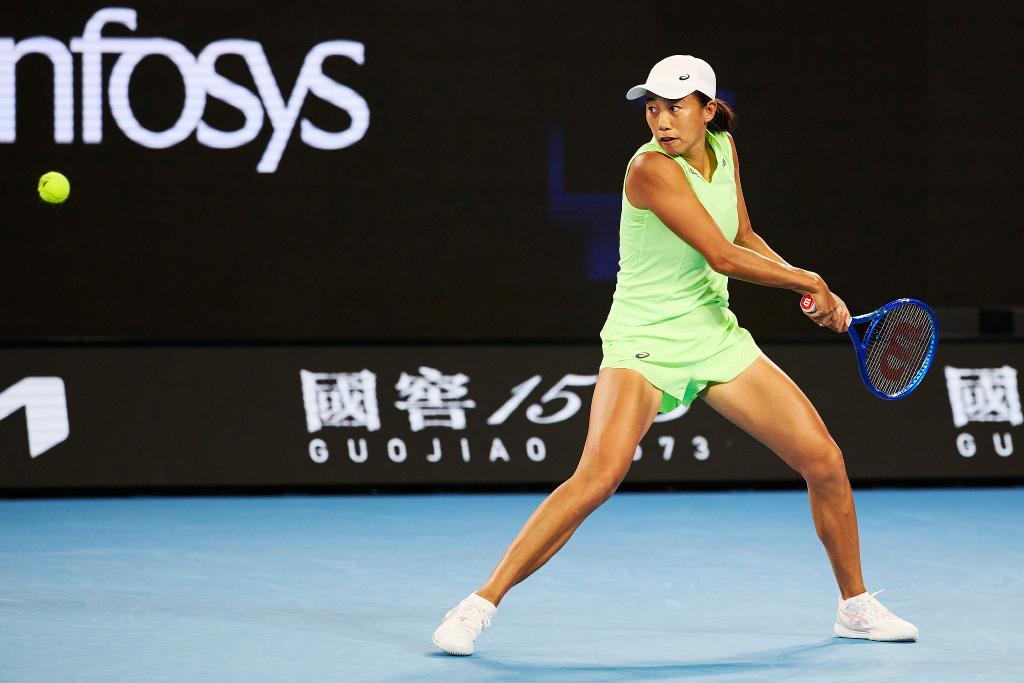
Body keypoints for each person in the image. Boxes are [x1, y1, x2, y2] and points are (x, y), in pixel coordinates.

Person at [432, 54, 918, 655]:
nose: (661, 121)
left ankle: (855, 606)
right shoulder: (648, 169)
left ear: (708, 110)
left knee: (824, 460)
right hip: (644, 339)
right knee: (598, 477)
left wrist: (806, 288)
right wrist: (810, 281)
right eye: (652, 108)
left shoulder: (724, 150)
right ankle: (478, 605)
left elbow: (743, 236)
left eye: (675, 108)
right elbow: (722, 256)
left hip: (712, 333)